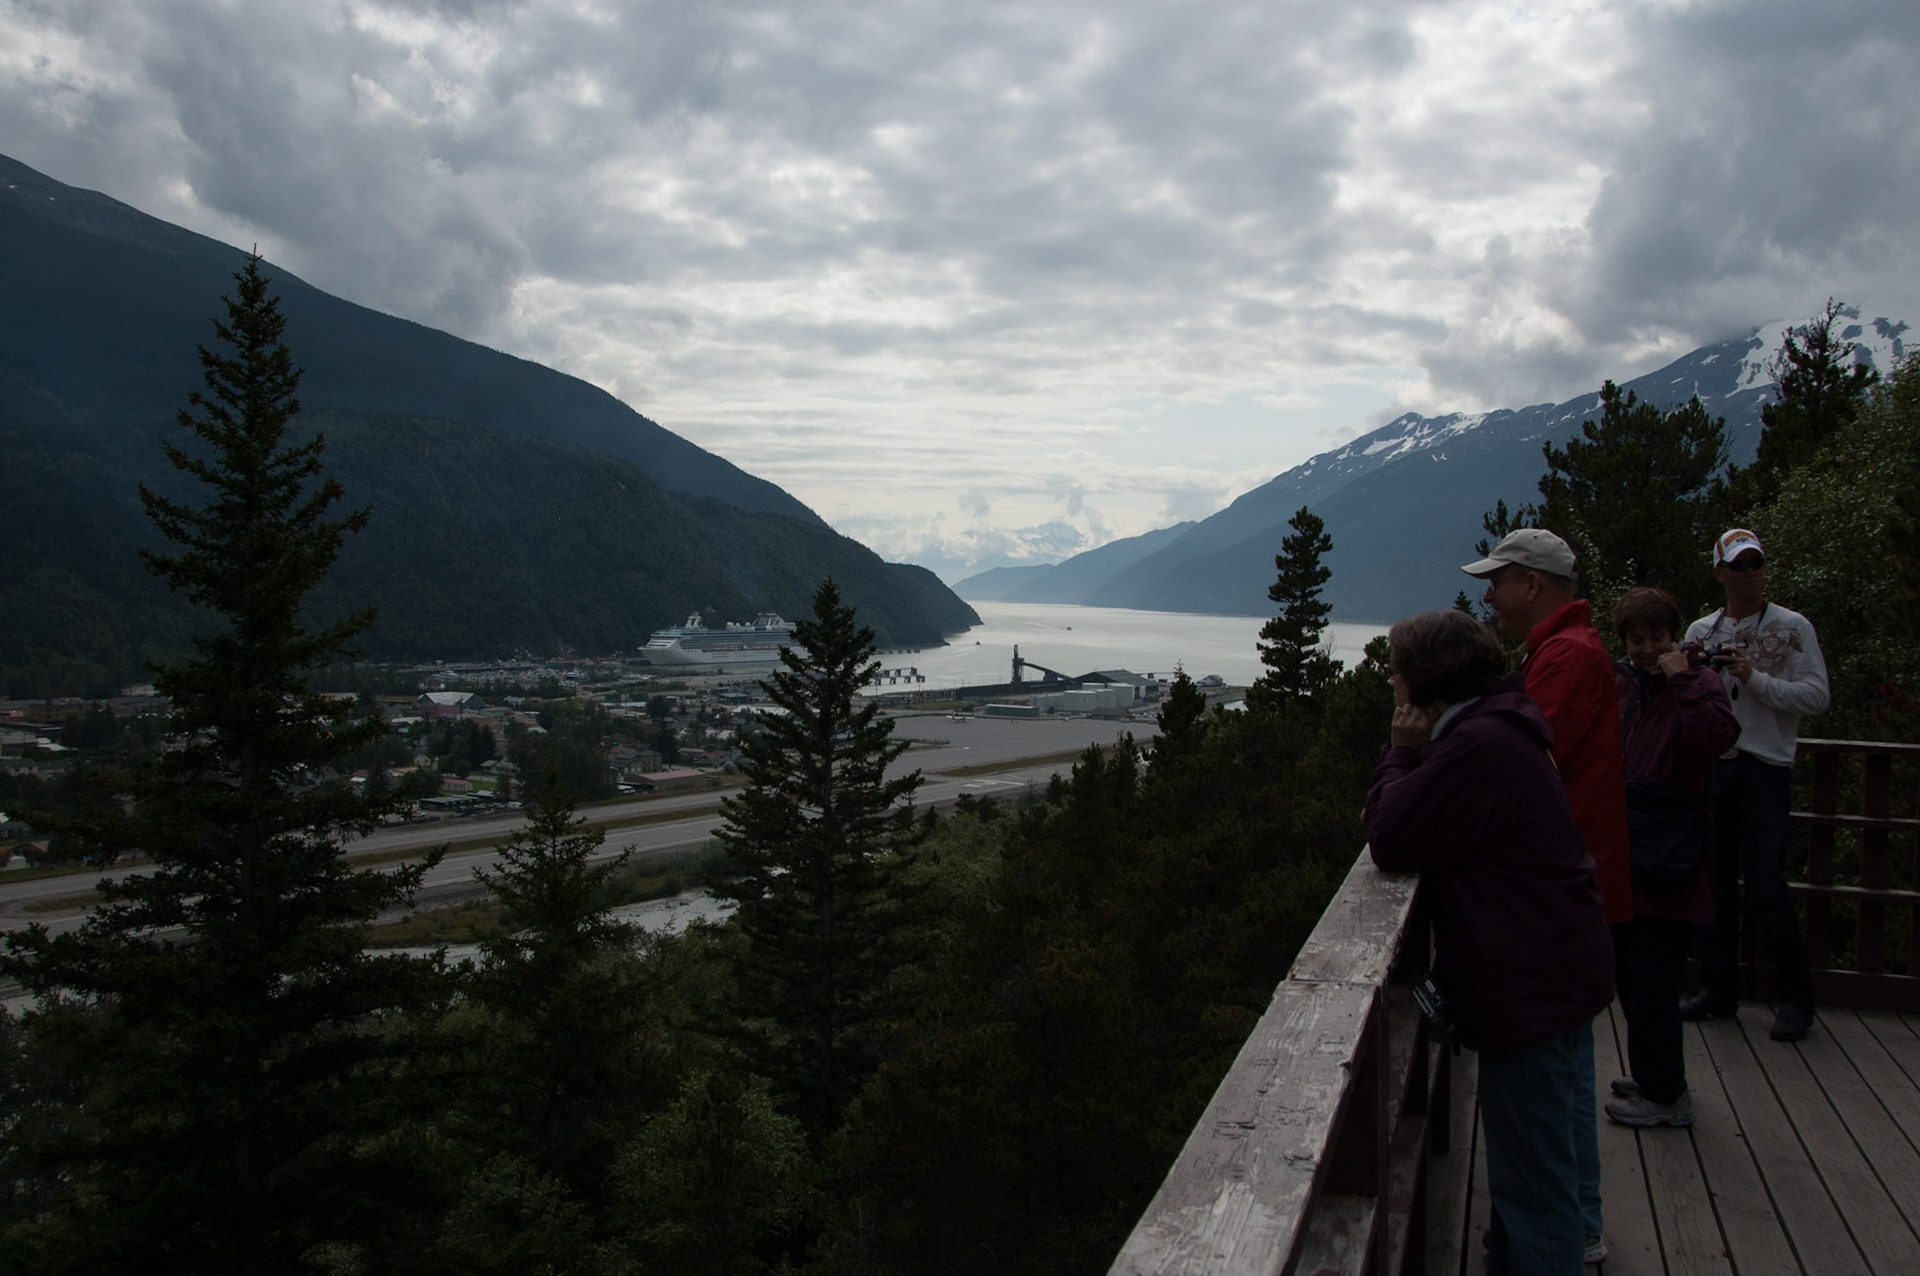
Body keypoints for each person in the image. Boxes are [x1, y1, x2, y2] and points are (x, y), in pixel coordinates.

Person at [1366, 609, 1613, 1276]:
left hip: (1531, 985)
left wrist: (1400, 750)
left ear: (1420, 686)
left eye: (1396, 674)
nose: (1391, 683)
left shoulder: (1477, 747)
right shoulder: (1500, 728)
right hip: (1553, 971)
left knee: (1534, 1192)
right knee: (1532, 1175)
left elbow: (1390, 836)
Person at [1462, 527, 1627, 1261]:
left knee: (1553, 1089)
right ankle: (1582, 1222)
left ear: (1534, 584)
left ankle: (1571, 1229)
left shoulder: (1566, 656)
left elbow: (1522, 754)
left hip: (1555, 896)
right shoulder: (1565, 651)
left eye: (1498, 580)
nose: (1487, 594)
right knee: (1566, 1080)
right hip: (1572, 891)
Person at [1680, 529, 1830, 1042]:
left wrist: (1755, 677)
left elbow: (1816, 696)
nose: (1750, 574)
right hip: (1717, 766)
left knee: (1768, 886)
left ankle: (1795, 1000)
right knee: (1717, 884)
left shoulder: (1792, 627)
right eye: (1740, 566)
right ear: (1719, 571)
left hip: (1766, 765)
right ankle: (1719, 991)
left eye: (1756, 564)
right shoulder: (1703, 630)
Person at [1605, 588, 1738, 1128]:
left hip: (1673, 851)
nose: (1646, 649)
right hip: (1631, 847)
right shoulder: (1626, 687)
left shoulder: (1699, 684)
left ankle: (1666, 1095)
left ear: (1676, 636)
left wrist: (1682, 678)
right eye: (1636, 639)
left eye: (1657, 638)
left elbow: (1718, 738)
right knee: (1632, 975)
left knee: (1654, 977)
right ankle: (1655, 1073)